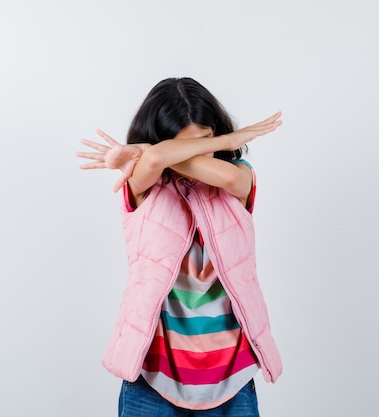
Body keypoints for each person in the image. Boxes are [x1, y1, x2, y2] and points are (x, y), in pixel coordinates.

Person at [76, 77, 282, 417]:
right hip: (153, 375)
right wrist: (153, 156)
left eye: (207, 140)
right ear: (160, 140)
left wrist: (151, 153)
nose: (202, 150)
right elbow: (153, 163)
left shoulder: (239, 177)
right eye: (182, 144)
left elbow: (228, 177)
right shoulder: (144, 185)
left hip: (231, 373)